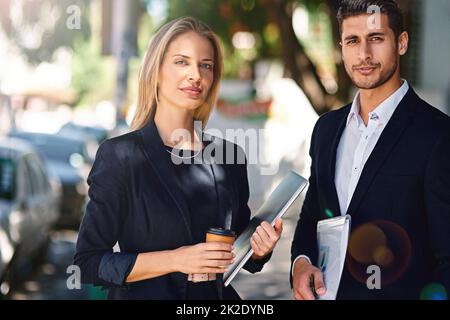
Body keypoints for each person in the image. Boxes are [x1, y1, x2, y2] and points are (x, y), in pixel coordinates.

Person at [74, 17, 283, 300]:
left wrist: (260, 249)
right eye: (182, 62)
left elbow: (240, 252)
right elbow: (88, 264)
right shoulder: (119, 156)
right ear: (156, 70)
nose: (195, 74)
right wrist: (176, 260)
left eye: (205, 65)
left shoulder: (230, 157)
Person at [291, 0, 450, 300]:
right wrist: (301, 264)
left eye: (376, 38)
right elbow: (313, 216)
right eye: (353, 41)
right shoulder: (326, 129)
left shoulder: (438, 135)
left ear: (401, 42)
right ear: (341, 47)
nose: (363, 54)